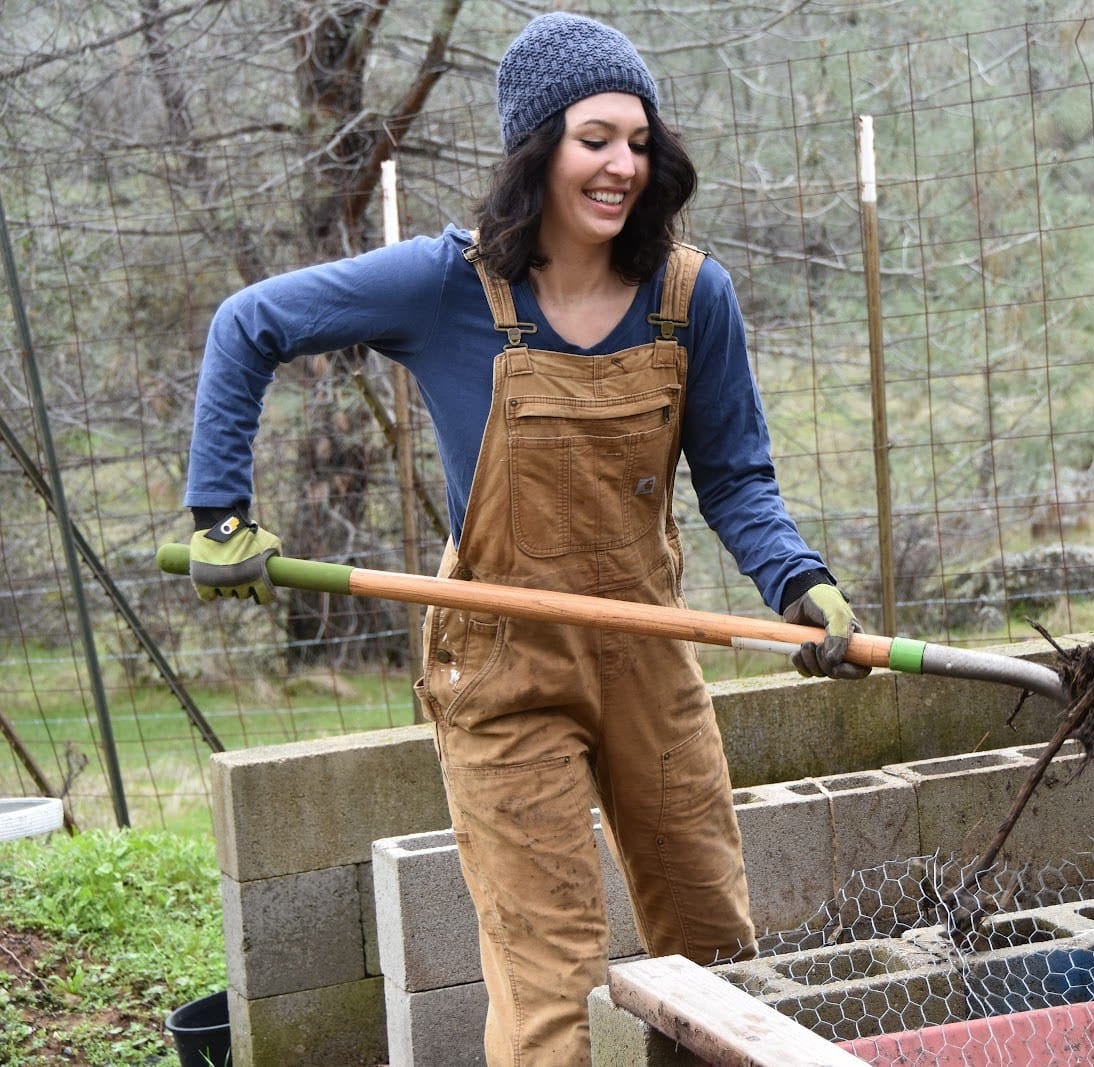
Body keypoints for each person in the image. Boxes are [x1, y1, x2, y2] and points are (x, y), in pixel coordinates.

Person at [181, 12, 870, 1065]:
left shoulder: (691, 295)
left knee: (717, 953)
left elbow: (735, 476)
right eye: (595, 138)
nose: (622, 166)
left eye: (638, 142)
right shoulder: (446, 286)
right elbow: (248, 325)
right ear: (537, 145)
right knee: (549, 990)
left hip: (648, 647)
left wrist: (797, 578)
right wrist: (219, 512)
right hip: (503, 665)